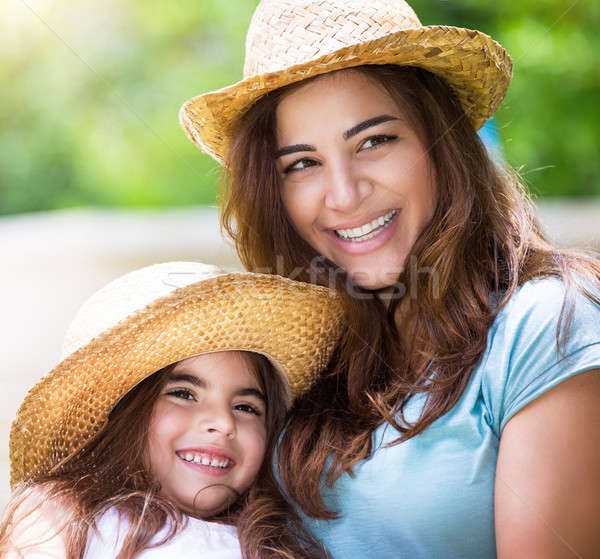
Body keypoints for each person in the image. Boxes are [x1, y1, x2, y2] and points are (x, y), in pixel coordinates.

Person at [179, 0, 600, 557]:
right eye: (302, 163)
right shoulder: (303, 354)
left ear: (441, 142)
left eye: (374, 141)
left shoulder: (544, 327)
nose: (345, 194)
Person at [0, 261, 343, 559]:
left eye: (245, 407)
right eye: (184, 393)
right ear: (123, 412)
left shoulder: (274, 542)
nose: (223, 423)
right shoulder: (63, 513)